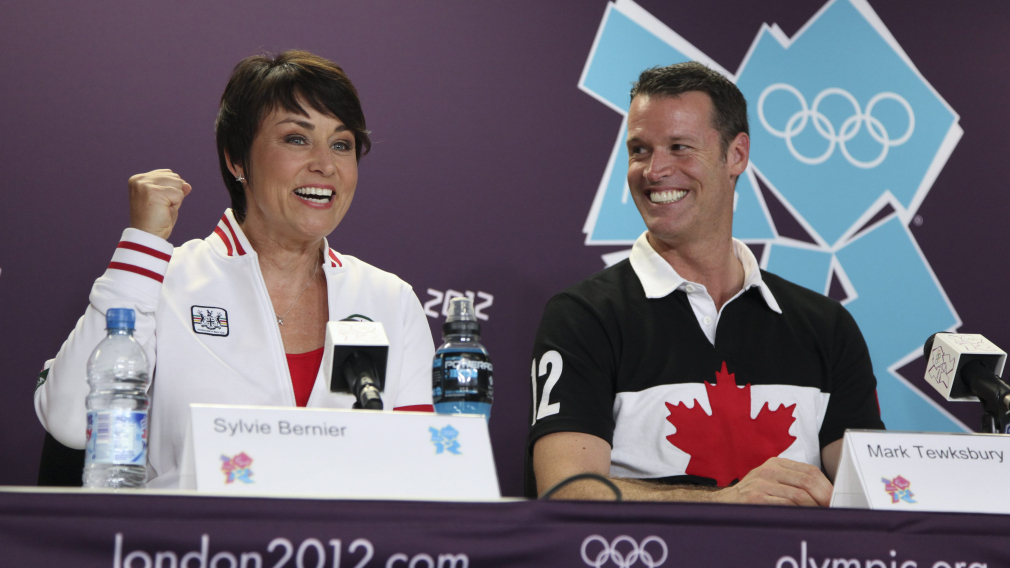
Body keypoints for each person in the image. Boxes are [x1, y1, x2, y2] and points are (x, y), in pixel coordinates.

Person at [34, 51, 435, 487]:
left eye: (342, 144)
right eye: (296, 139)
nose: (326, 164)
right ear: (236, 159)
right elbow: (71, 421)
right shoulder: (163, 279)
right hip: (188, 551)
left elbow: (423, 474)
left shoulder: (390, 300)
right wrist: (142, 247)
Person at [526, 62, 884, 505]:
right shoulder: (583, 317)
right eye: (639, 150)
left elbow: (870, 499)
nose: (654, 171)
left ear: (737, 155)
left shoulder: (827, 327)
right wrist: (722, 504)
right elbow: (566, 491)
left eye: (679, 147)